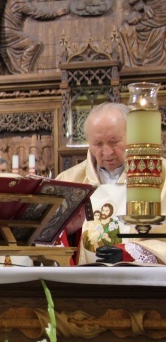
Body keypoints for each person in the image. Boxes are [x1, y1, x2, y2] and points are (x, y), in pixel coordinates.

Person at [56, 102, 166, 264]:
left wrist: (131, 252)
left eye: (114, 141)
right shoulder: (68, 181)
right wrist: (68, 231)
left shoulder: (160, 175)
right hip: (82, 284)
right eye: (98, 144)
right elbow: (44, 243)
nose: (107, 152)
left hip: (142, 285)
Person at [0, 0, 69, 74]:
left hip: (6, 34)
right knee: (34, 43)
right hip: (9, 34)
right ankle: (23, 72)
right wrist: (55, 13)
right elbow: (35, 12)